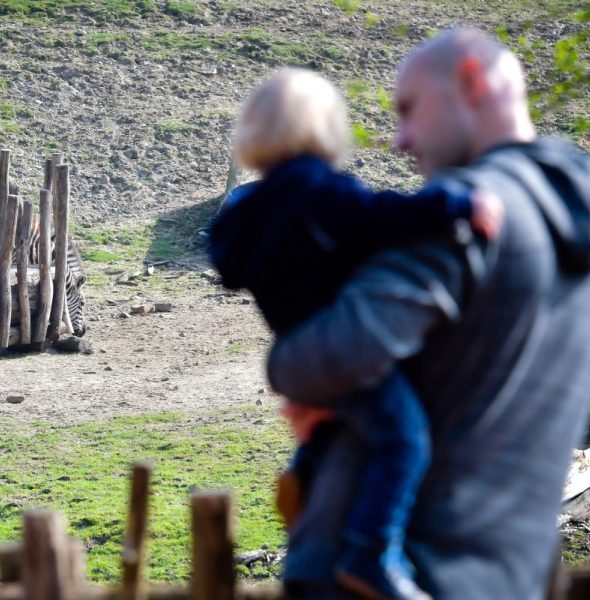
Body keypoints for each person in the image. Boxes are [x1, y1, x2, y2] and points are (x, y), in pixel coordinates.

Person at [267, 27, 590, 600]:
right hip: (505, 578)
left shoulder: (464, 218)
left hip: (381, 581)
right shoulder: (574, 217)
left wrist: (291, 366)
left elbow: (334, 356)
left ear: (471, 81)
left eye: (409, 109)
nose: (401, 140)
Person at [208, 68, 502, 600]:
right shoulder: (324, 194)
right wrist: (460, 205)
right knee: (405, 438)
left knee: (337, 424)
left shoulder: (244, 212)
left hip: (292, 349)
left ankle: (306, 473)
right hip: (342, 348)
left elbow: (224, 262)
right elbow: (386, 216)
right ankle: (371, 550)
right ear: (325, 130)